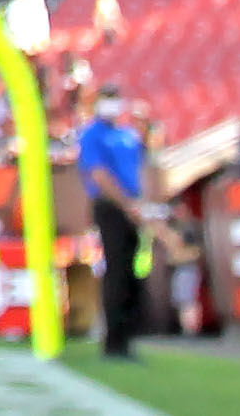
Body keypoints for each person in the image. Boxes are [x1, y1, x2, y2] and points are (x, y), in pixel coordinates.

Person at [76, 90, 152, 360]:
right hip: (111, 208)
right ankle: (115, 343)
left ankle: (130, 338)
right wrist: (126, 203)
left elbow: (141, 170)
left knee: (132, 272)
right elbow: (98, 174)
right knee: (117, 271)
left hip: (134, 207)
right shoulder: (92, 134)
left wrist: (141, 203)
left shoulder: (127, 135)